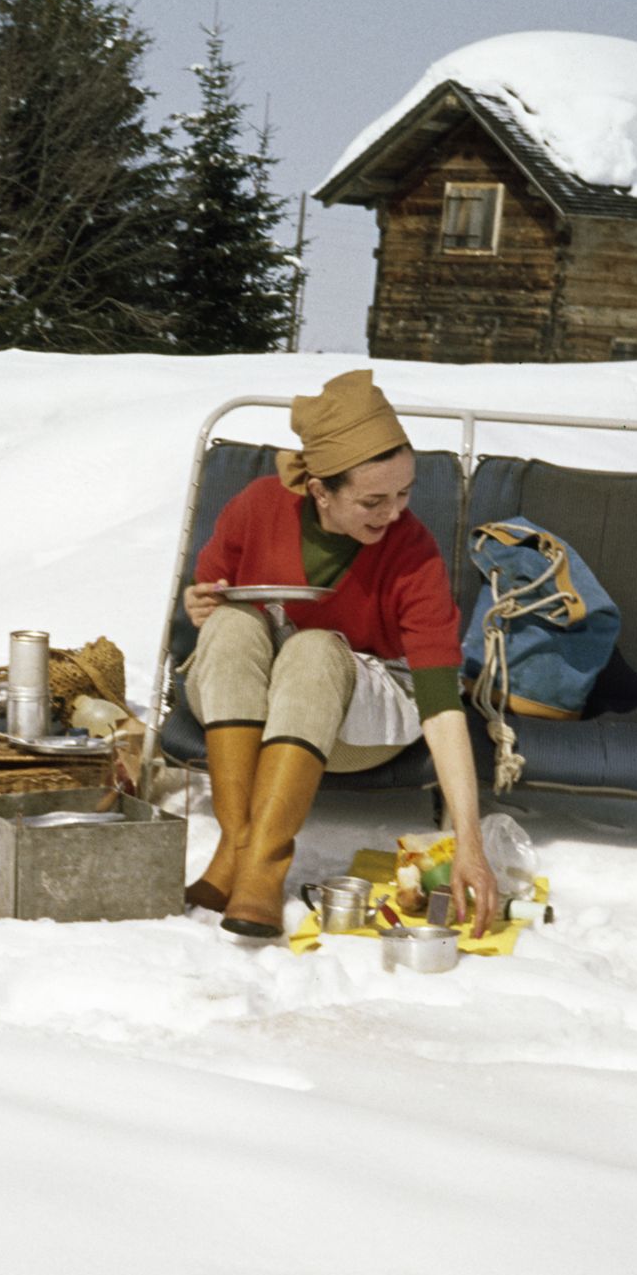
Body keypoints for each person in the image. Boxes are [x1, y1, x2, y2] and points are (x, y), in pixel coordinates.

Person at [178, 368, 500, 940]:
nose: (394, 512)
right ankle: (237, 848)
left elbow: (440, 702)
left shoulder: (412, 550)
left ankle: (263, 867)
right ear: (320, 490)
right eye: (373, 500)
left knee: (313, 649)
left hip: (354, 726)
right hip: (250, 703)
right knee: (230, 625)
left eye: (404, 493)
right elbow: (209, 592)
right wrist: (198, 603)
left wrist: (469, 844)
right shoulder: (257, 508)